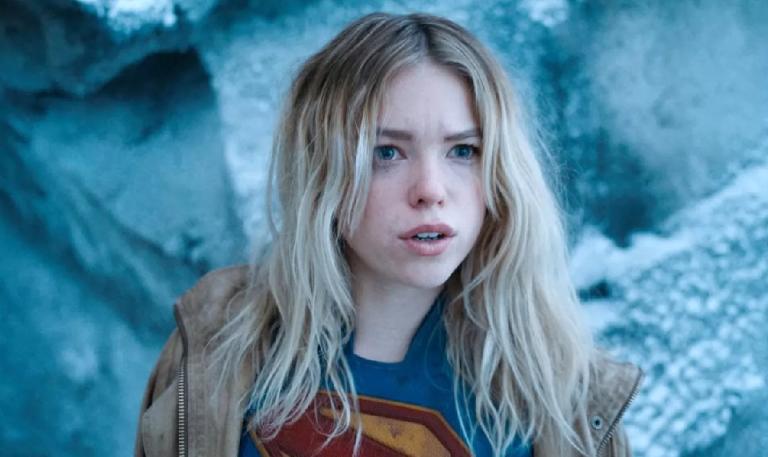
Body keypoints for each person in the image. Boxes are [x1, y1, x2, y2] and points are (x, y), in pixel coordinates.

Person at [134, 11, 642, 457]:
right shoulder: (215, 348)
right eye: (387, 153)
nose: (430, 190)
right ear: (322, 172)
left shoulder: (567, 397)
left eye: (463, 151)